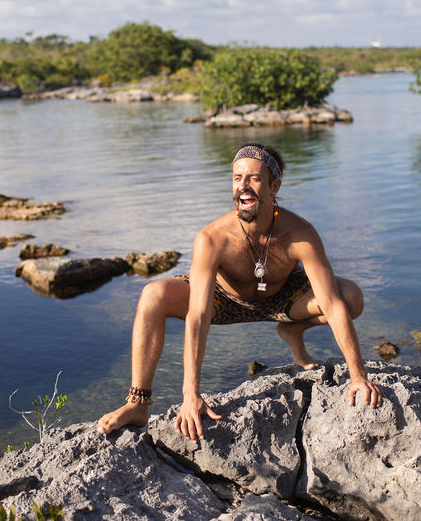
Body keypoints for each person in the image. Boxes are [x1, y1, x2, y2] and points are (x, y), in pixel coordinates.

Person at [97, 142, 382, 440]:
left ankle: (292, 331)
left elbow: (332, 305)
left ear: (274, 186)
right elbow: (198, 316)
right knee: (153, 294)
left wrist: (358, 377)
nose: (242, 186)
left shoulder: (300, 234)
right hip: (222, 300)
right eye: (237, 178)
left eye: (253, 178)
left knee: (350, 297)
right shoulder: (213, 238)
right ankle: (137, 404)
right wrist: (191, 395)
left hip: (283, 298)